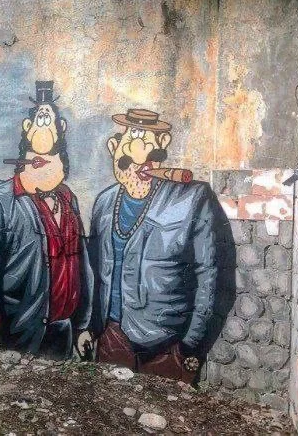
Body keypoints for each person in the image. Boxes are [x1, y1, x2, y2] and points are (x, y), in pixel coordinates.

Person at [88, 108, 217, 382]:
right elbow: (92, 272)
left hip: (167, 347)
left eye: (148, 145)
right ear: (114, 147)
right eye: (130, 145)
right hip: (111, 339)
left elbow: (209, 277)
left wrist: (189, 346)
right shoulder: (104, 203)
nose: (139, 158)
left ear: (163, 145)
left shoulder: (192, 198)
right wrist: (92, 328)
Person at [0, 81, 93, 360]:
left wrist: (82, 326)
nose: (45, 126)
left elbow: (80, 265)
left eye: (50, 120)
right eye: (39, 119)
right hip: (19, 334)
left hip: (63, 334)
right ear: (27, 128)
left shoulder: (68, 199)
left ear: (62, 129)